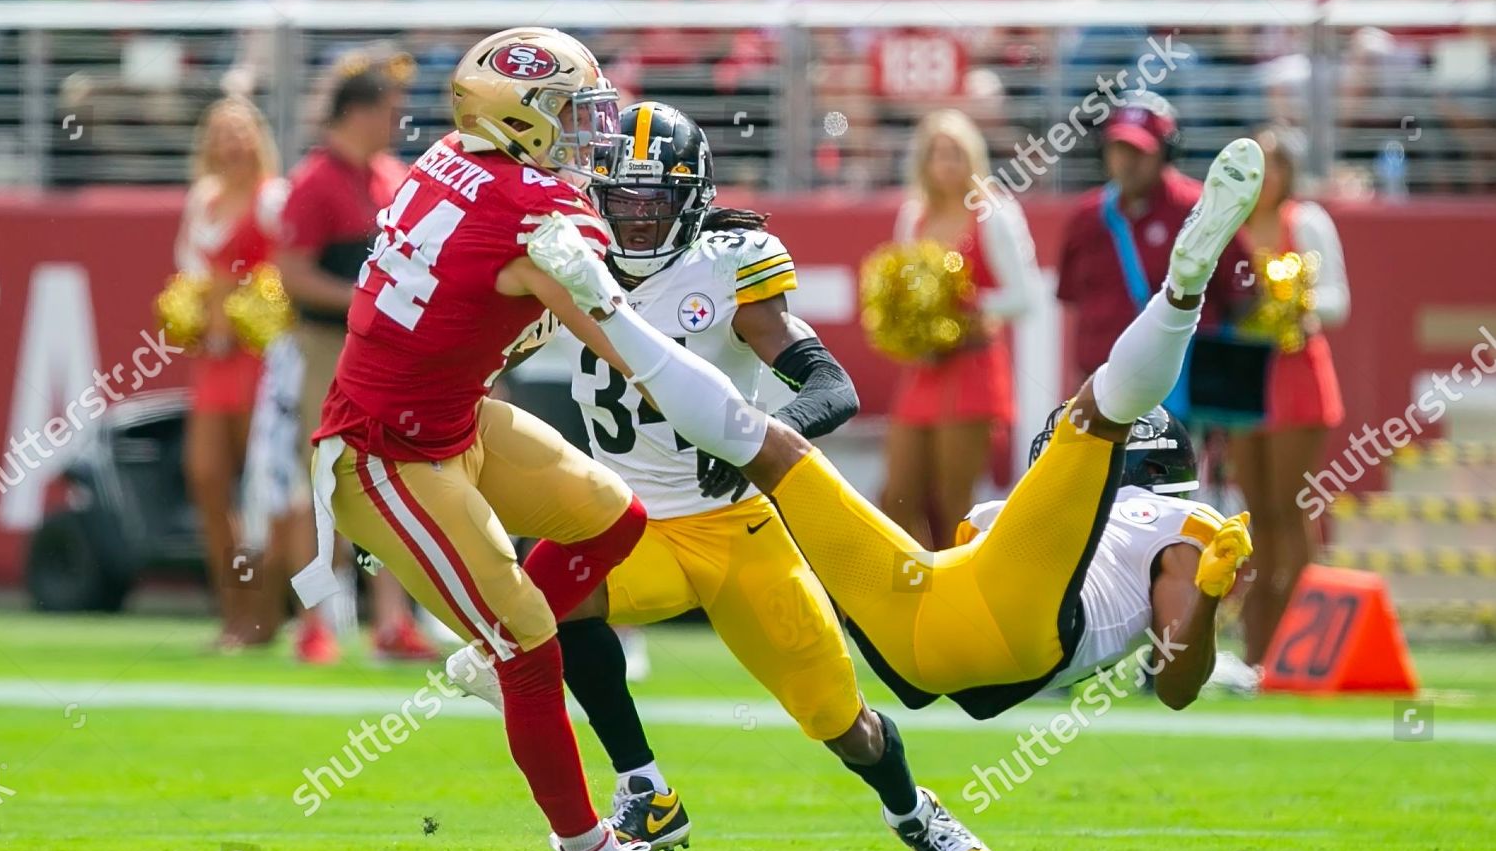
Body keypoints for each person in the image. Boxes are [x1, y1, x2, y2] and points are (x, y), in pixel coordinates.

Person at [523, 136, 1263, 728]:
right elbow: (1174, 686)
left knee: (778, 454)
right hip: (1006, 635)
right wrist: (1206, 601)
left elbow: (1002, 533)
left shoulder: (1058, 515)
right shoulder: (1185, 526)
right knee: (1092, 414)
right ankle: (1182, 294)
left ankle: (1178, 295)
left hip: (920, 635)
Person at [448, 103, 999, 851]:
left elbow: (830, 386)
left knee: (841, 720)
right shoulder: (568, 256)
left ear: (693, 198)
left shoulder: (730, 265)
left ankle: (915, 810)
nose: (636, 220)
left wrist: (750, 442)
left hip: (732, 527)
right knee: (543, 602)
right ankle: (645, 787)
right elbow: (479, 354)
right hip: (624, 519)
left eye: (654, 201)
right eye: (623, 199)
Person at [290, 27, 702, 851]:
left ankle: (490, 653)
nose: (587, 132)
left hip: (451, 418)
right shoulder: (528, 214)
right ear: (518, 119)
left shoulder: (451, 155)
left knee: (610, 515)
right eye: (568, 113)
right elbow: (630, 348)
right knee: (530, 642)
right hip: (384, 455)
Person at [276, 58, 437, 665]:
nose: (399, 120)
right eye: (390, 109)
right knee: (319, 488)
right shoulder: (315, 180)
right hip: (326, 349)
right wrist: (365, 298)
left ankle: (391, 623)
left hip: (383, 353)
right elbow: (291, 274)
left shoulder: (391, 175)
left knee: (387, 483)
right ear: (360, 111)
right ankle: (314, 623)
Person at [880, 110, 1041, 550]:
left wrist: (959, 310)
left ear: (973, 157)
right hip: (925, 368)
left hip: (972, 366)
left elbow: (1024, 296)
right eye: (936, 152)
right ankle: (913, 594)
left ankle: (959, 603)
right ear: (923, 161)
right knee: (897, 496)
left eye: (956, 152)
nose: (946, 162)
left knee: (955, 504)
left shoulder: (994, 213)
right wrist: (910, 326)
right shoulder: (913, 216)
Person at [1228, 126, 1348, 666]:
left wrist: (1296, 307)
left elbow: (1338, 299)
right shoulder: (1228, 227)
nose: (1265, 176)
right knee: (1254, 513)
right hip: (1240, 378)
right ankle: (1258, 646)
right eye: (1256, 165)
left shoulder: (1309, 222)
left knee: (1291, 507)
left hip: (1296, 375)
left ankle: (1304, 643)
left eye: (1274, 165)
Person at [176, 99, 286, 649]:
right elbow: (190, 274)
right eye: (221, 133)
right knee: (206, 479)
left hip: (263, 359)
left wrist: (249, 305)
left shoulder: (274, 197)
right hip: (213, 361)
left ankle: (262, 616)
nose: (233, 143)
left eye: (242, 132)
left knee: (262, 493)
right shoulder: (202, 201)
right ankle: (231, 610)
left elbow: (288, 266)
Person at [1057, 93, 1249, 391]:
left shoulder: (1201, 209)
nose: (1127, 162)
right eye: (1119, 149)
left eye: (1140, 151)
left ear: (1166, 152)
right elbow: (1070, 295)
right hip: (1100, 389)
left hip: (1181, 390)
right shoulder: (1085, 217)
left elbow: (1243, 292)